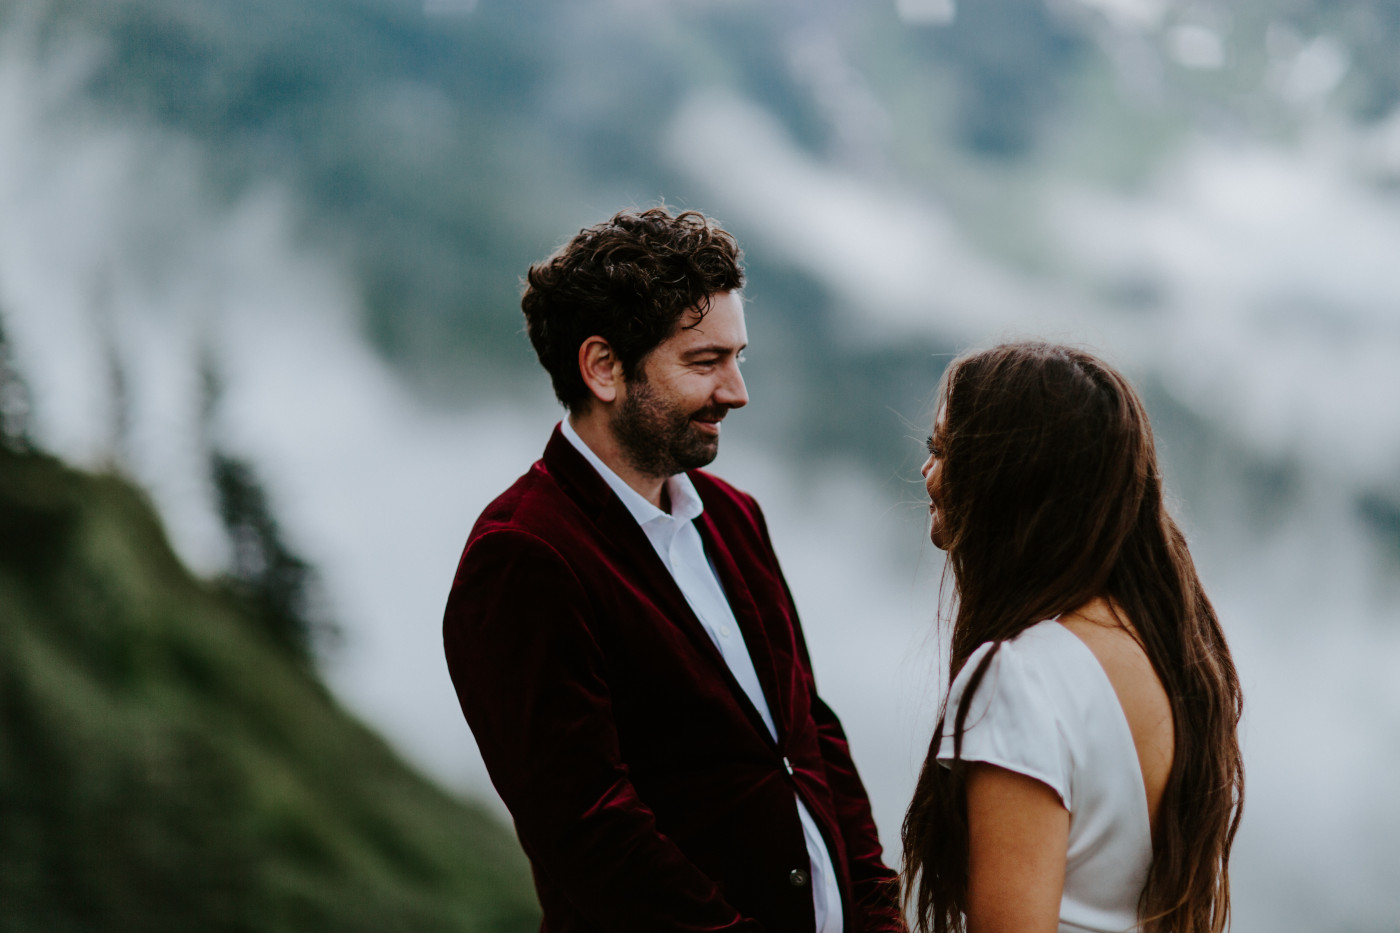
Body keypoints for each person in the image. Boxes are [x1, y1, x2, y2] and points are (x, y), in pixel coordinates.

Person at [443, 207, 905, 933]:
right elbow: (590, 830)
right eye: (704, 362)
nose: (736, 390)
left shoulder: (735, 515)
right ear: (602, 367)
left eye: (737, 356)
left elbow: (812, 730)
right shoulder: (522, 553)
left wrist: (880, 913)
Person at [901, 342, 1244, 933]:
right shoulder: (1165, 655)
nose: (927, 473)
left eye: (942, 449)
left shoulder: (1019, 676)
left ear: (1010, 476)